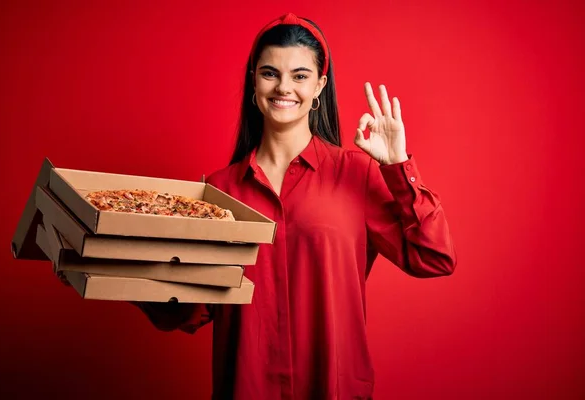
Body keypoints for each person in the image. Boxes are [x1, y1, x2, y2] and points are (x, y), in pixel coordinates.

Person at [132, 12, 457, 400]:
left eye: (300, 75)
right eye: (270, 73)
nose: (284, 87)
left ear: (320, 85)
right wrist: (112, 267)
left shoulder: (358, 174)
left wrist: (398, 167)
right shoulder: (218, 191)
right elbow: (190, 312)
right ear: (254, 81)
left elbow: (435, 257)